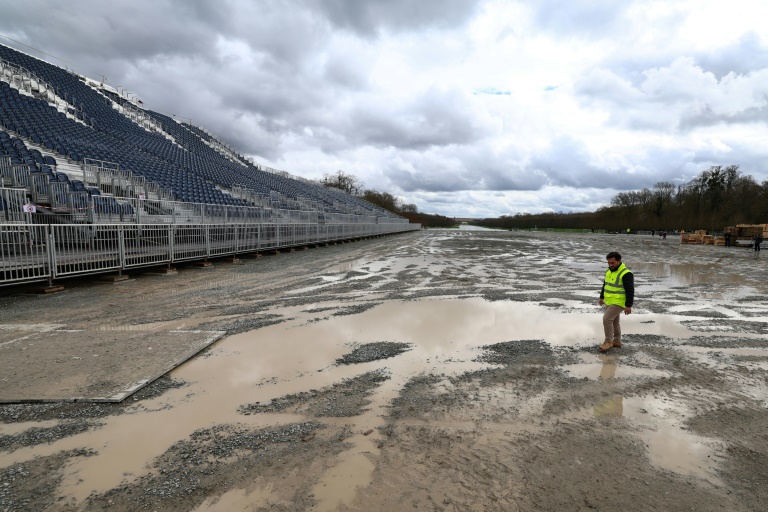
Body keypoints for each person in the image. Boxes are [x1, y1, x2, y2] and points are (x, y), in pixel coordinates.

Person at [598, 251, 634, 352]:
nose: (610, 265)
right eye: (608, 263)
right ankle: (617, 341)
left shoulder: (626, 273)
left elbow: (630, 290)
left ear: (619, 261)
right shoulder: (609, 271)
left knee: (607, 319)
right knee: (614, 321)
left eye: (612, 263)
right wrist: (601, 297)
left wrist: (628, 305)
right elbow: (605, 285)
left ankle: (608, 342)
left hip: (619, 302)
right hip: (609, 301)